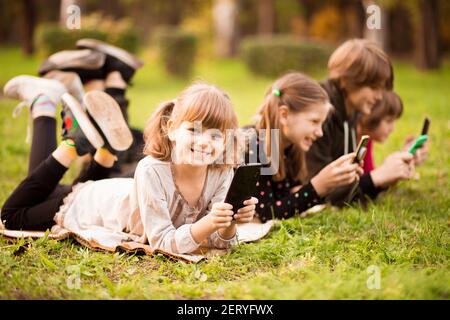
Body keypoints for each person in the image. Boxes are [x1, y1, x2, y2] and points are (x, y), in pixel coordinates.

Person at [2, 78, 258, 254]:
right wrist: (210, 222)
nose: (205, 142)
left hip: (114, 190)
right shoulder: (151, 169)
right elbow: (163, 242)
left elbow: (220, 242)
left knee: (45, 189)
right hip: (91, 205)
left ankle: (102, 148)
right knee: (11, 216)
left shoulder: (222, 172)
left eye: (216, 135)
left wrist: (228, 223)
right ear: (171, 129)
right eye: (194, 130)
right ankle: (70, 140)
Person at [240, 72, 362, 222]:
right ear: (284, 115)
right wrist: (318, 185)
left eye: (322, 124)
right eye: (314, 121)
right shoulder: (253, 146)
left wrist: (330, 183)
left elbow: (286, 198)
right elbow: (266, 213)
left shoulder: (291, 147)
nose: (320, 133)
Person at [305, 38, 414, 204]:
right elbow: (321, 191)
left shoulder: (351, 111)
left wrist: (387, 176)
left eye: (382, 89)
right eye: (373, 88)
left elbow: (347, 185)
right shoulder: (319, 115)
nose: (379, 96)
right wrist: (376, 178)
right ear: (347, 80)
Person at [357, 91, 425, 196]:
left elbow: (369, 181)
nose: (392, 129)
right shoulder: (351, 139)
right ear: (370, 115)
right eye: (389, 121)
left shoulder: (366, 140)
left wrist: (401, 162)